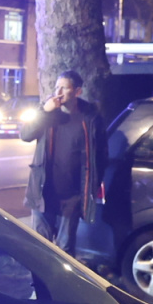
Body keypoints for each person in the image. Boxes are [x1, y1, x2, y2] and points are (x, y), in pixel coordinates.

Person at [20, 70, 103, 254]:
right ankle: (41, 275)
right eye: (56, 87)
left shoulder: (90, 117)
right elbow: (25, 135)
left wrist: (91, 187)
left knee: (65, 249)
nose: (58, 92)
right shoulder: (47, 113)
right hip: (43, 192)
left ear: (77, 91)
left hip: (71, 198)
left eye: (64, 88)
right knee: (40, 248)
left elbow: (100, 156)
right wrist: (44, 112)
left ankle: (62, 275)